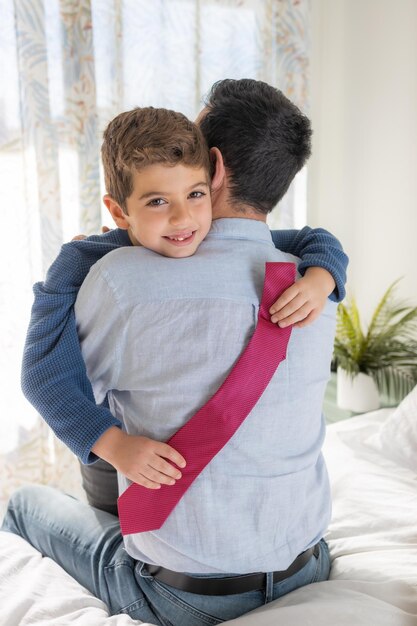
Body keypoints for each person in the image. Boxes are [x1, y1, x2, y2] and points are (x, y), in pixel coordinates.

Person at [3, 79, 344, 625]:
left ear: (211, 167)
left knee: (25, 503)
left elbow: (57, 385)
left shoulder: (117, 279)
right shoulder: (315, 285)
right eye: (159, 199)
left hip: (185, 596)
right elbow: (307, 237)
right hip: (307, 566)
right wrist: (329, 264)